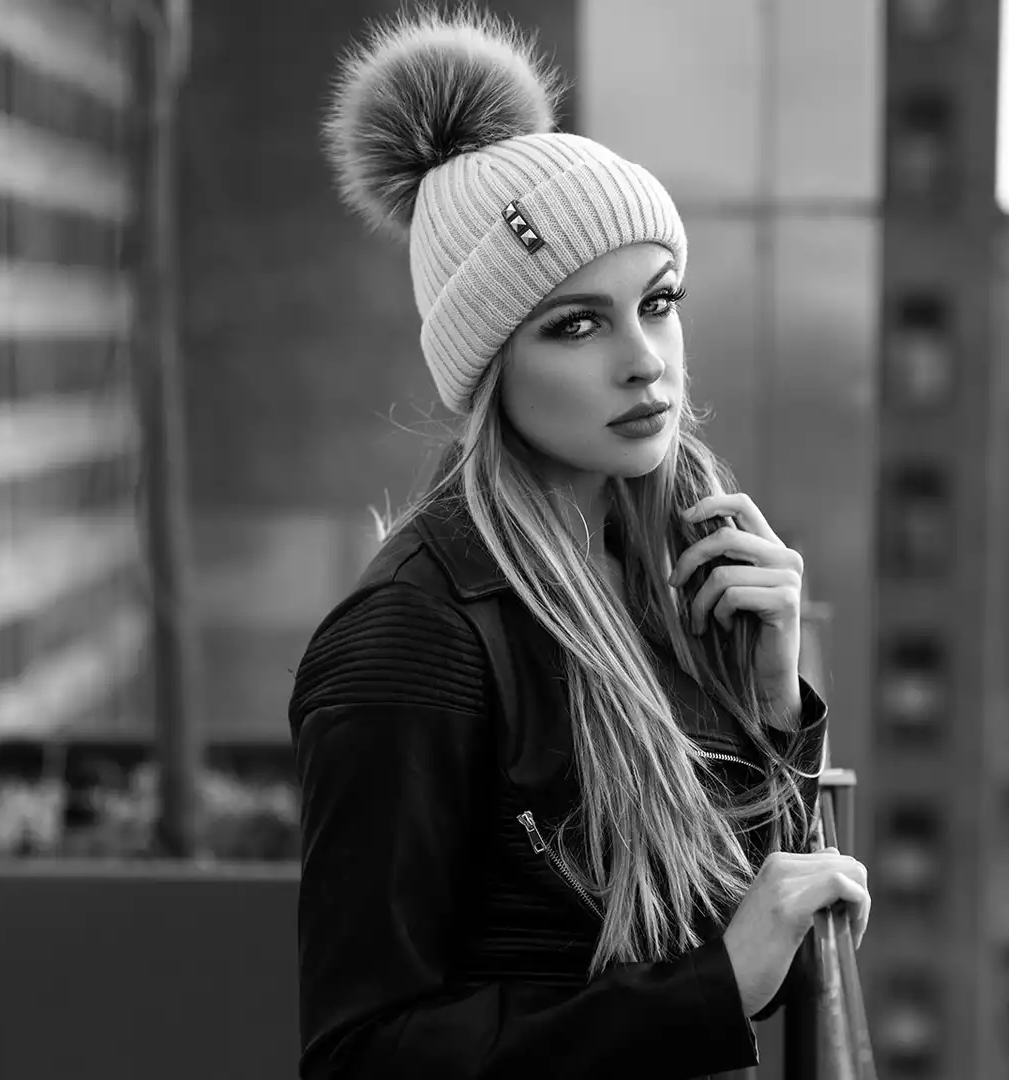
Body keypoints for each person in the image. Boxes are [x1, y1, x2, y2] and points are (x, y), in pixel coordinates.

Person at [288, 10, 873, 1079]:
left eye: (657, 302)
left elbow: (741, 936)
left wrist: (777, 700)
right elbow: (361, 1056)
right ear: (487, 363)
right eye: (576, 323)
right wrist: (716, 987)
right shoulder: (409, 644)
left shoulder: (657, 562)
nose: (647, 362)